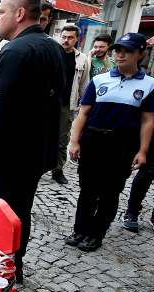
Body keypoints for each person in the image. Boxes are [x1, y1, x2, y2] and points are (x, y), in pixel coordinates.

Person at [0, 0, 65, 284]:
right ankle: (13, 266)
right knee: (20, 211)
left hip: (6, 155)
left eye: (0, 12)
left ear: (19, 14)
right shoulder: (53, 48)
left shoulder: (15, 51)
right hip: (32, 153)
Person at [66, 33, 154, 250]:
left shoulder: (149, 85)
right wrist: (75, 141)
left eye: (127, 51)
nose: (120, 55)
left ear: (140, 54)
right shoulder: (99, 80)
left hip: (122, 146)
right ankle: (80, 230)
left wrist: (142, 151)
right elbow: (83, 114)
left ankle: (96, 234)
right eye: (118, 50)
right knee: (87, 190)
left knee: (110, 192)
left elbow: (147, 121)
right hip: (93, 141)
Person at [51, 24, 90, 185]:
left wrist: (83, 105)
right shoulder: (52, 52)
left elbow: (84, 84)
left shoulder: (82, 59)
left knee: (62, 139)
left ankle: (57, 170)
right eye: (64, 37)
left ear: (77, 39)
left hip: (67, 104)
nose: (66, 40)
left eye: (70, 37)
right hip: (47, 103)